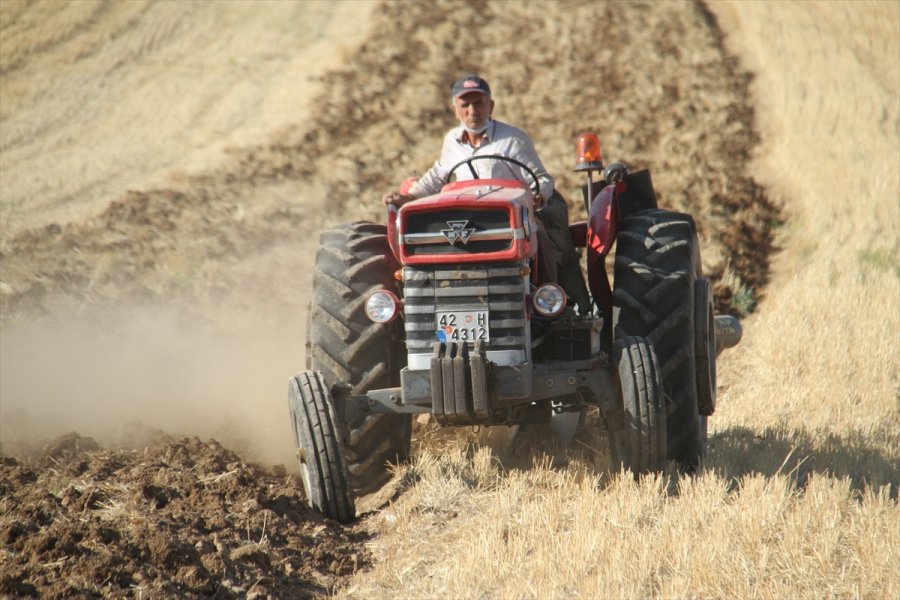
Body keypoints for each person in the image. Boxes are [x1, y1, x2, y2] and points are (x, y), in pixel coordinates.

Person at [382, 75, 590, 312]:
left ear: (491, 105)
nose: (473, 111)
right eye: (465, 105)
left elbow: (542, 178)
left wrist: (539, 196)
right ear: (455, 110)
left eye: (479, 103)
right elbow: (439, 174)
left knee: (539, 237)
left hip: (508, 220)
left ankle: (548, 304)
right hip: (463, 221)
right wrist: (410, 197)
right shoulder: (451, 141)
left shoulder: (513, 139)